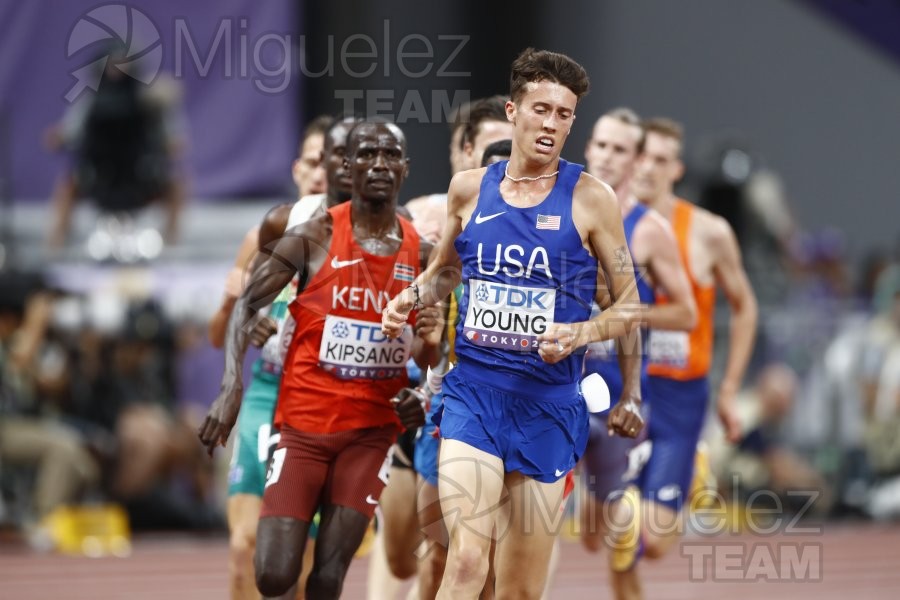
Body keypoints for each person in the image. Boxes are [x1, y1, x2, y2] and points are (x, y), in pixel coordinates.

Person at [382, 48, 645, 598]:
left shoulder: (593, 200)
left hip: (549, 406)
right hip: (474, 396)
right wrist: (408, 297)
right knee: (465, 560)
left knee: (518, 589)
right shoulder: (469, 189)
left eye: (563, 114)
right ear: (513, 111)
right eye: (541, 109)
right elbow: (445, 272)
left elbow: (629, 306)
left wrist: (584, 337)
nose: (551, 124)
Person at [200, 120, 440, 599]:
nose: (379, 165)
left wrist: (426, 389)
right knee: (272, 573)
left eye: (390, 156)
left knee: (327, 578)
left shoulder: (423, 254)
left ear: (405, 168)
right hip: (303, 423)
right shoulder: (311, 235)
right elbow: (246, 304)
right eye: (366, 155)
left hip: (371, 430)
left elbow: (439, 345)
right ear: (345, 166)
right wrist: (231, 387)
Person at [612, 117, 758, 599]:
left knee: (654, 542)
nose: (647, 168)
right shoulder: (610, 222)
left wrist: (730, 390)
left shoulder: (708, 232)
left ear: (676, 169)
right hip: (623, 381)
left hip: (680, 395)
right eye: (641, 156)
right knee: (617, 527)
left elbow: (745, 307)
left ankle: (692, 464)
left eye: (660, 159)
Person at [206, 114, 347, 600]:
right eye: (313, 161)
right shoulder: (266, 232)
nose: (321, 172)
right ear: (297, 169)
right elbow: (217, 337)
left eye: (331, 162)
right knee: (244, 545)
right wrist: (232, 306)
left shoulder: (355, 238)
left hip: (325, 404)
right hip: (268, 393)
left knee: (302, 563)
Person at [577, 109, 696, 576]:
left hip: (614, 397)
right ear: (588, 147)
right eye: (602, 145)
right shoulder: (561, 208)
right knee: (534, 505)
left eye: (620, 149)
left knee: (595, 536)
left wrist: (623, 313)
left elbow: (685, 313)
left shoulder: (648, 230)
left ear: (637, 160)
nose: (608, 157)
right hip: (560, 382)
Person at [405, 96, 514, 243]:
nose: (503, 158)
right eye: (493, 148)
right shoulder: (425, 215)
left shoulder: (541, 213)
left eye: (512, 148)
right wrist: (411, 239)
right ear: (468, 152)